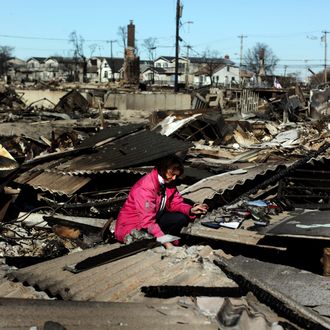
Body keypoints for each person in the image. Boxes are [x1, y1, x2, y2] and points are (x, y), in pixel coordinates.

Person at [114, 154, 208, 248]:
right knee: (156, 238)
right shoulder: (145, 188)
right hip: (134, 226)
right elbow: (148, 222)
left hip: (154, 219)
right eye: (172, 174)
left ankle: (167, 239)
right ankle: (165, 241)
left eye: (176, 175)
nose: (174, 178)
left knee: (181, 218)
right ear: (163, 169)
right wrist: (166, 243)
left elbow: (175, 203)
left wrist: (190, 210)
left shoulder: (168, 182)